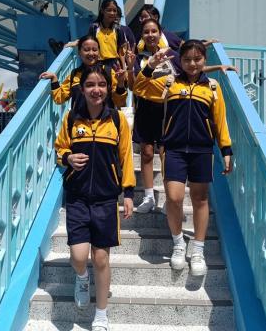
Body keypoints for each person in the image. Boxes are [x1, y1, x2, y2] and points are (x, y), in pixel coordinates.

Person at [133, 39, 233, 276]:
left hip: (202, 150)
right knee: (174, 198)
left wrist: (226, 150)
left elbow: (220, 121)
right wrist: (150, 65)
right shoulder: (170, 83)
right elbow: (139, 87)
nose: (192, 64)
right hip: (174, 150)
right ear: (180, 60)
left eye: (197, 59)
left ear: (204, 60)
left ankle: (198, 249)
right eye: (187, 59)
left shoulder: (212, 88)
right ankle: (178, 243)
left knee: (200, 199)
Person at [55, 65, 135, 331]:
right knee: (78, 256)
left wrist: (128, 193)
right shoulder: (71, 118)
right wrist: (68, 157)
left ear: (108, 89)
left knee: (101, 258)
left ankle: (101, 314)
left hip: (105, 199)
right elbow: (59, 148)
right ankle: (81, 277)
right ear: (82, 89)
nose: (96, 90)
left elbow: (126, 156)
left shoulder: (117, 120)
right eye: (90, 85)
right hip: (77, 197)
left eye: (101, 84)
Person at [125, 18, 181, 213]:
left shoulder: (172, 55)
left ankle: (168, 198)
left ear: (160, 33)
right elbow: (132, 86)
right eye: (146, 32)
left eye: (154, 31)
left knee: (166, 154)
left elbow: (186, 73)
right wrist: (129, 67)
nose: (150, 35)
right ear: (142, 35)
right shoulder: (138, 58)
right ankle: (148, 197)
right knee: (147, 153)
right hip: (145, 109)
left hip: (167, 110)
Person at [39, 34, 127, 109]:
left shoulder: (108, 72)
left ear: (99, 52)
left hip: (104, 122)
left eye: (94, 50)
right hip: (79, 123)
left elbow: (120, 102)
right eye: (86, 50)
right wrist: (54, 79)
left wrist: (120, 83)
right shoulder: (74, 74)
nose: (91, 53)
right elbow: (60, 98)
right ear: (79, 52)